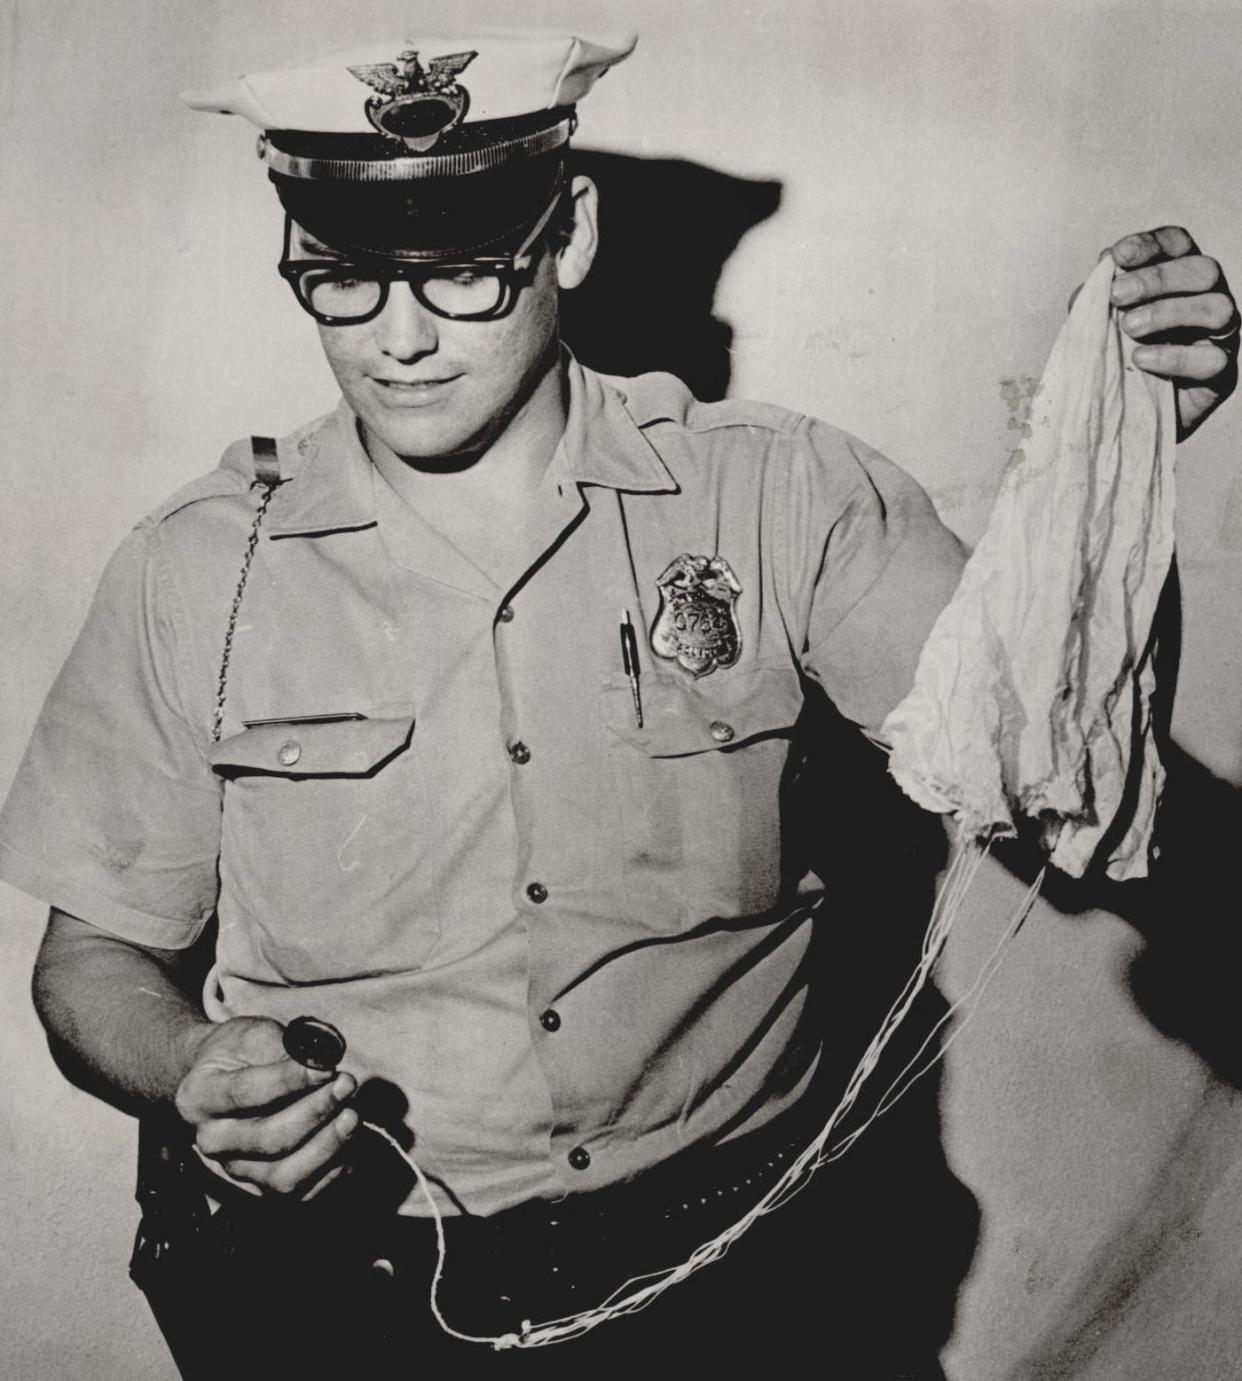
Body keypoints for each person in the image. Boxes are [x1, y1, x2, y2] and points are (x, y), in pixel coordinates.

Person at [2, 28, 1237, 1380]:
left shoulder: (781, 499)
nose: (399, 339)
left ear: (568, 231)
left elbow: (1034, 748)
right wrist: (190, 1064)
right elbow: (88, 963)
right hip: (345, 1295)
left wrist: (1097, 448)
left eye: (464, 271)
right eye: (343, 277)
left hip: (728, 1274)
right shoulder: (195, 566)